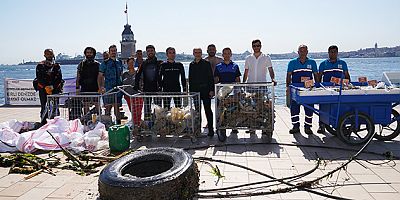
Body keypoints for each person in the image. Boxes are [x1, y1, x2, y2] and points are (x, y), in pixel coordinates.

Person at [242, 39, 276, 134]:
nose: (256, 47)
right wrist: (242, 83)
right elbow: (246, 72)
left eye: (258, 45)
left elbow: (270, 70)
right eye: (254, 46)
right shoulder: (248, 58)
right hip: (250, 85)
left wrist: (273, 79)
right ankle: (252, 127)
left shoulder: (266, 57)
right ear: (252, 47)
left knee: (262, 107)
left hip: (262, 86)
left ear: (261, 46)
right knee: (250, 107)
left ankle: (263, 127)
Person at [317, 45, 351, 133]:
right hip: (326, 89)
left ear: (337, 53)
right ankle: (321, 125)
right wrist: (317, 87)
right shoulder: (323, 64)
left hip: (339, 89)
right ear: (328, 53)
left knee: (340, 107)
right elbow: (319, 77)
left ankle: (341, 124)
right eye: (331, 52)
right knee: (323, 107)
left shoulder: (342, 63)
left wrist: (348, 85)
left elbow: (347, 75)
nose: (333, 54)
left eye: (334, 52)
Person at [286, 45, 318, 135]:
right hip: (295, 89)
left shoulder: (312, 62)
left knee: (309, 108)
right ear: (298, 52)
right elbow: (288, 75)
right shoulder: (292, 63)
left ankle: (308, 127)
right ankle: (295, 126)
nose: (302, 53)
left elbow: (316, 75)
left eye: (304, 51)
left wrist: (318, 86)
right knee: (294, 108)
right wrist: (288, 87)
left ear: (307, 52)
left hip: (309, 89)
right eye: (301, 51)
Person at [214, 47, 241, 134]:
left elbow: (238, 79)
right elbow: (216, 80)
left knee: (234, 108)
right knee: (222, 109)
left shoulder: (235, 66)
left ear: (231, 54)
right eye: (225, 53)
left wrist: (239, 91)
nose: (227, 55)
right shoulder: (218, 67)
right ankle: (222, 127)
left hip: (233, 91)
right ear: (222, 55)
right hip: (222, 92)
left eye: (228, 53)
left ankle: (234, 126)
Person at [189, 48, 215, 136]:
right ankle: (197, 129)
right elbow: (190, 79)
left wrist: (212, 90)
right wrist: (190, 92)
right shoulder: (191, 64)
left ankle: (211, 130)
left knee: (208, 110)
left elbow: (211, 78)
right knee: (197, 111)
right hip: (195, 91)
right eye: (196, 52)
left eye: (199, 52)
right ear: (193, 53)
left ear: (201, 53)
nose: (198, 54)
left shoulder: (206, 63)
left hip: (206, 90)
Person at [35, 49, 63, 125]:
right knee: (44, 106)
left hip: (55, 89)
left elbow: (59, 77)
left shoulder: (57, 65)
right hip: (43, 89)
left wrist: (52, 87)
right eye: (47, 54)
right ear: (44, 55)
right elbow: (39, 78)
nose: (49, 56)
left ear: (53, 54)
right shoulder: (40, 65)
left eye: (51, 54)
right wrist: (46, 87)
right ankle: (44, 122)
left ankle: (55, 122)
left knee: (55, 106)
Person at [97, 45, 123, 124]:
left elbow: (121, 74)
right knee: (107, 108)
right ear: (109, 52)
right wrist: (100, 87)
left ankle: (118, 125)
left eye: (115, 50)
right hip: (108, 88)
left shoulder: (119, 62)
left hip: (118, 89)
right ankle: (107, 125)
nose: (113, 52)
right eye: (112, 51)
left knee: (117, 108)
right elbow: (100, 76)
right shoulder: (105, 63)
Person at [135, 45, 162, 120]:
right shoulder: (143, 64)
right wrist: (136, 86)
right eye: (148, 51)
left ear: (154, 52)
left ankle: (158, 122)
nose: (150, 52)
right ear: (146, 53)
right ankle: (147, 122)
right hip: (146, 89)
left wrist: (163, 85)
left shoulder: (159, 63)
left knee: (158, 108)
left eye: (151, 51)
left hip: (157, 89)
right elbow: (137, 75)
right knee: (147, 108)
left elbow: (164, 75)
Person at [76, 47, 100, 114]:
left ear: (94, 54)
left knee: (97, 104)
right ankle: (86, 119)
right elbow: (78, 77)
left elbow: (100, 77)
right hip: (85, 87)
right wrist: (77, 88)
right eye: (87, 53)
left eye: (90, 53)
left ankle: (99, 119)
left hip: (95, 88)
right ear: (85, 54)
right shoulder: (81, 64)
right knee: (85, 105)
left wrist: (101, 87)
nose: (89, 54)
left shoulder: (98, 64)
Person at [122, 57, 143, 126]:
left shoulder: (138, 73)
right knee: (133, 112)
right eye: (129, 63)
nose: (131, 64)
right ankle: (135, 125)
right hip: (128, 96)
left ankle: (138, 125)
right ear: (127, 63)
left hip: (137, 95)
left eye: (132, 62)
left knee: (138, 112)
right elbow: (122, 84)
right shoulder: (124, 74)